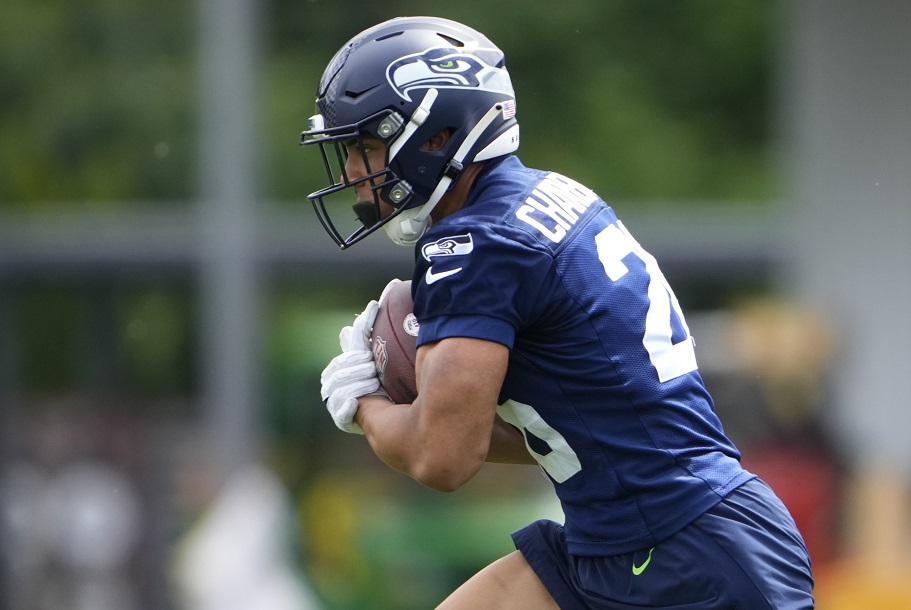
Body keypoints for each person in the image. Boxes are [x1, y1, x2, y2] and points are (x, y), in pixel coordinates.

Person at [304, 16, 814, 609]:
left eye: (365, 146)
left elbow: (441, 458)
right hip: (644, 537)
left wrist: (365, 403)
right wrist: (437, 409)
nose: (352, 175)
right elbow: (561, 434)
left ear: (437, 135)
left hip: (683, 555)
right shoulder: (549, 197)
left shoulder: (474, 244)